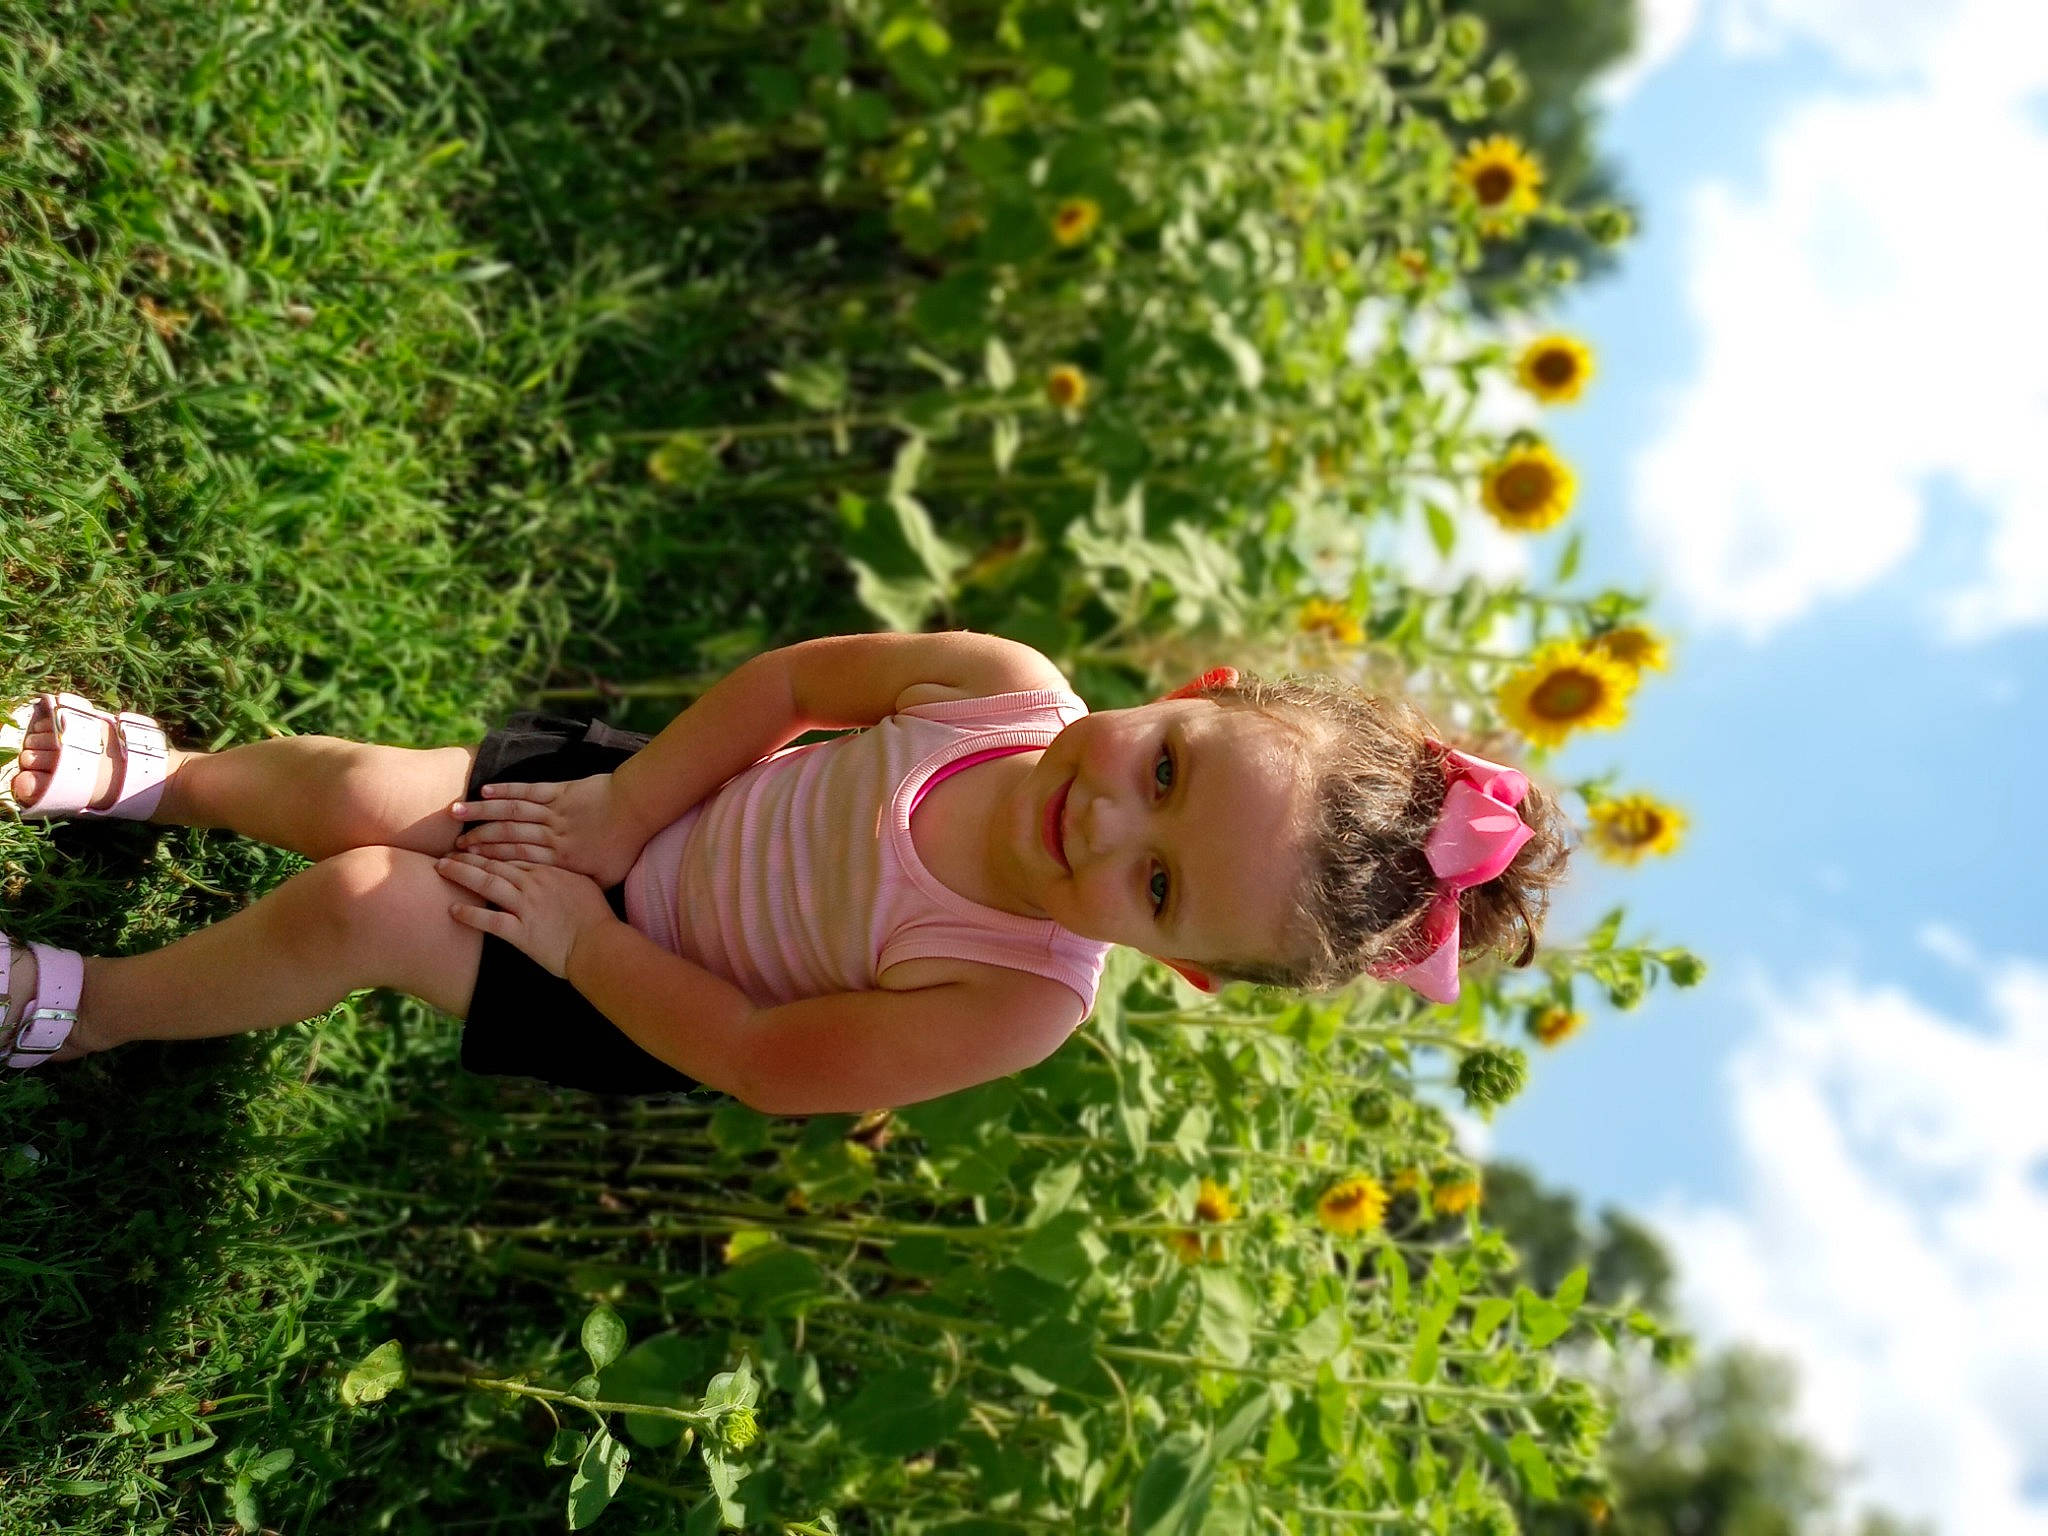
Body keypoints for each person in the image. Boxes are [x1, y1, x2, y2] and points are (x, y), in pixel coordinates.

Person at [0, 630, 1569, 1114]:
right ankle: (167, 777)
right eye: (1163, 773)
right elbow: (787, 693)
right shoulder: (1004, 688)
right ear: (1201, 697)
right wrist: (611, 816)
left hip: (642, 993)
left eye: (1156, 888)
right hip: (642, 811)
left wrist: (575, 927)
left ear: (1186, 968)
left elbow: (759, 1058)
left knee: (365, 903)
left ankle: (102, 1009)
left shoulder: (1016, 998)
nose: (1104, 825)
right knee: (363, 792)